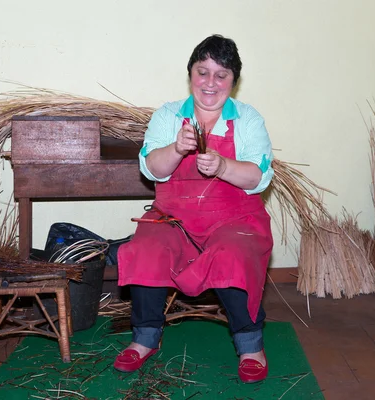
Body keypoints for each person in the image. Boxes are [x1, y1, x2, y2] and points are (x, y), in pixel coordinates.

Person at [114, 34, 275, 384]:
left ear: (234, 80)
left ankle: (250, 345)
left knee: (233, 253)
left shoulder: (247, 120)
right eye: (203, 72)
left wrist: (222, 167)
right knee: (145, 247)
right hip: (174, 219)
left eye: (221, 75)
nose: (210, 83)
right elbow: (152, 168)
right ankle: (144, 338)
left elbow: (258, 176)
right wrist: (175, 148)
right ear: (190, 74)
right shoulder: (169, 115)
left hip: (235, 219)